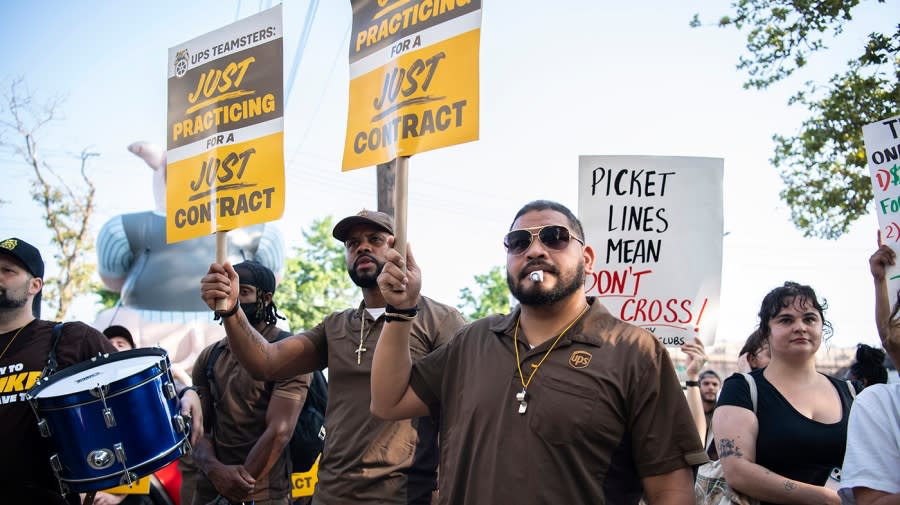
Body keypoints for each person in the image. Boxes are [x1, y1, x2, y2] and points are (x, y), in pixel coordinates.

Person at [370, 200, 706, 504]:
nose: (534, 250)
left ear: (586, 259)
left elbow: (669, 488)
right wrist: (401, 311)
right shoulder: (472, 341)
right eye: (518, 242)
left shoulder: (635, 352)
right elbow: (389, 400)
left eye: (554, 237)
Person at [199, 210, 465, 504]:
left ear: (399, 248)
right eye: (352, 243)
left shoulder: (440, 320)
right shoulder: (336, 325)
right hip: (331, 494)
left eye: (374, 239)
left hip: (405, 496)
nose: (361, 247)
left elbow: (464, 412)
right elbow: (267, 363)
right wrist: (231, 310)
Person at [0, 237, 202, 504]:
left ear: (35, 285)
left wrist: (186, 392)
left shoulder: (69, 337)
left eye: (8, 271)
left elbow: (137, 382)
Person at [713, 281, 856, 505]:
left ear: (822, 327)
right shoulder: (742, 389)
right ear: (766, 332)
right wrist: (823, 498)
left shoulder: (852, 393)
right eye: (786, 320)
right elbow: (738, 471)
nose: (800, 327)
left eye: (809, 319)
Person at [192, 260, 310, 505]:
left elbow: (280, 430)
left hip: (263, 493)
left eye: (243, 292)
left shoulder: (289, 352)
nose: (232, 296)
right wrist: (214, 471)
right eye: (229, 289)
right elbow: (199, 428)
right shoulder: (209, 357)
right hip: (209, 491)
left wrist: (239, 484)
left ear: (266, 299)